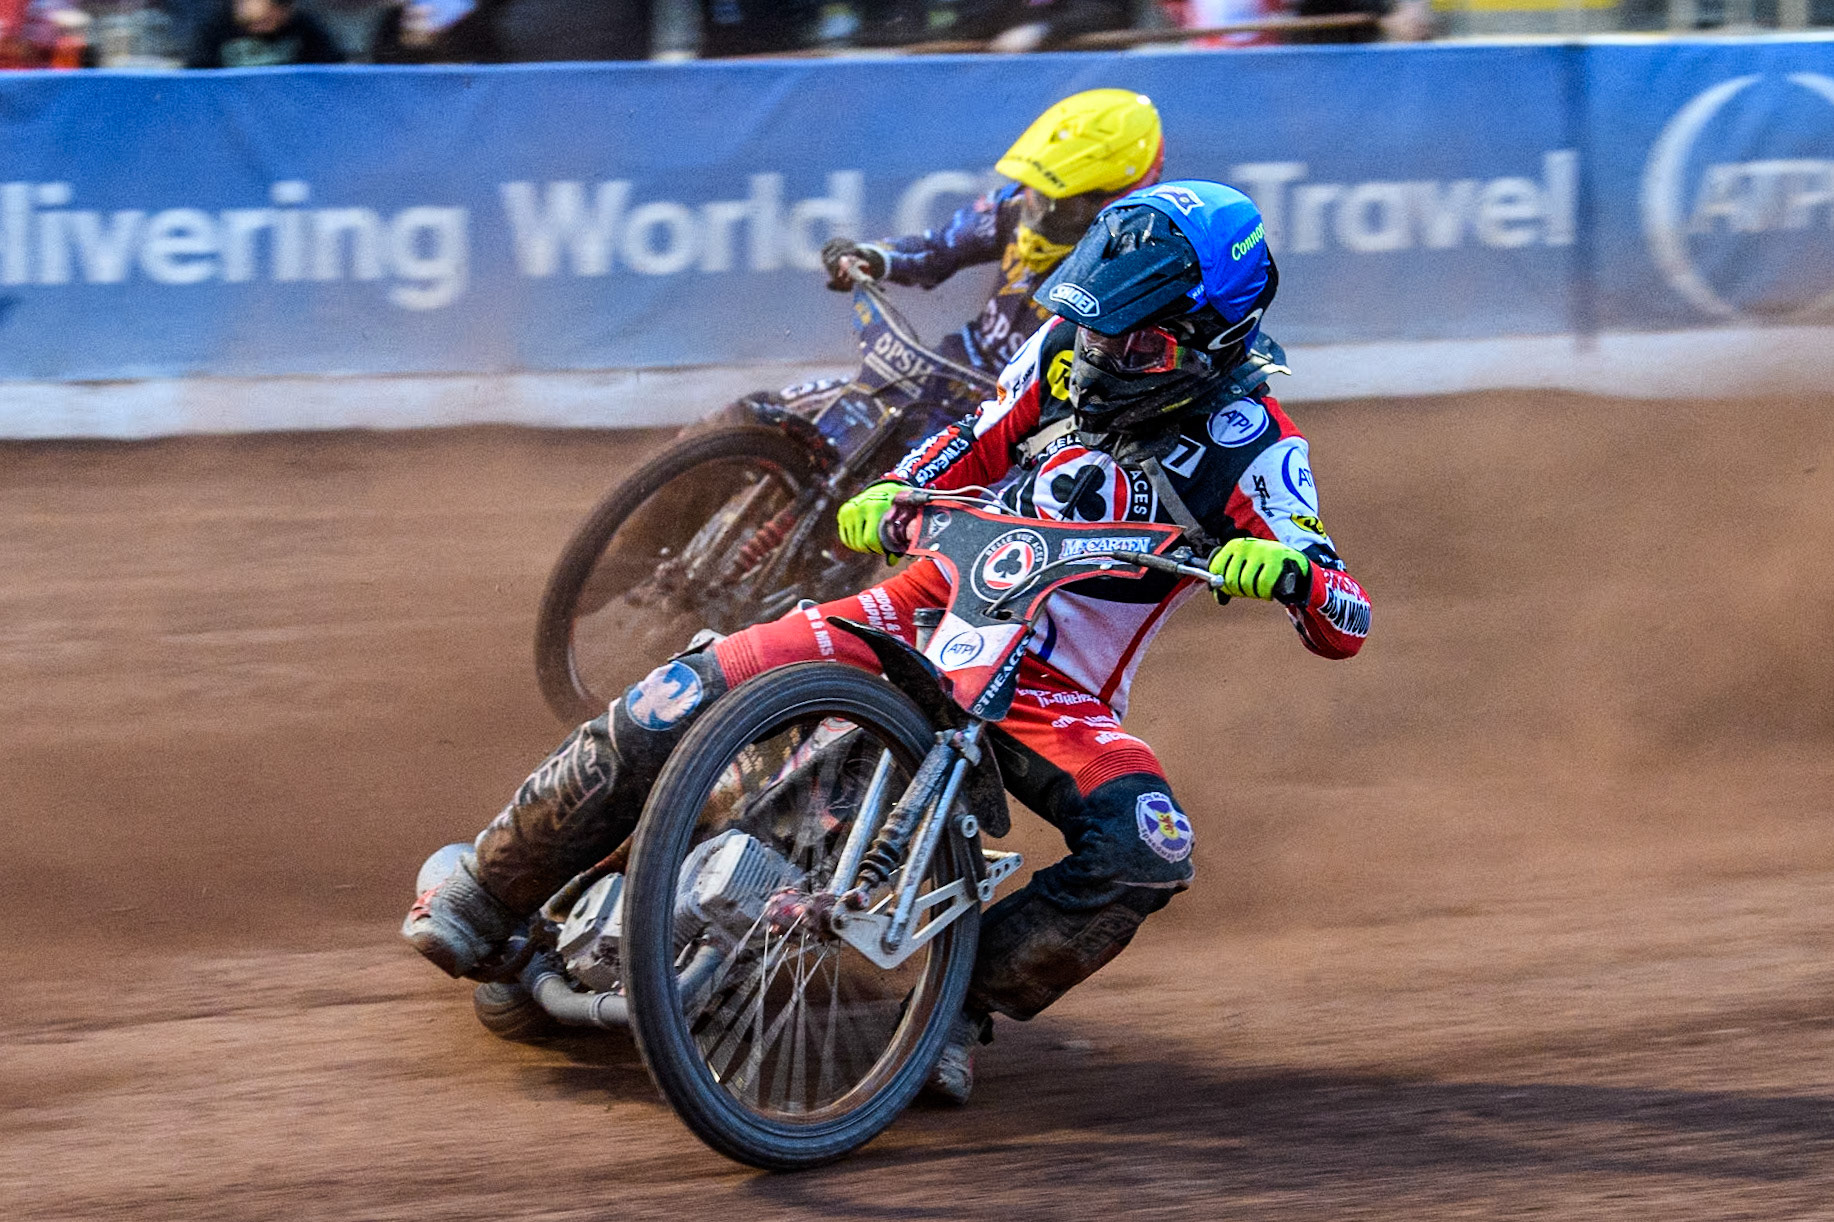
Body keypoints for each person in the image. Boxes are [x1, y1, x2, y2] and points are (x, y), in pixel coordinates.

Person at [404, 179, 1372, 1104]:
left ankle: (955, 1011)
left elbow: (1343, 610)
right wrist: (896, 488)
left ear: (1216, 338)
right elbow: (970, 442)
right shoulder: (1063, 353)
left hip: (1050, 692)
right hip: (917, 607)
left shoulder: (1259, 445)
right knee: (679, 691)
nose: (1105, 356)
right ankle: (488, 890)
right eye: (1093, 327)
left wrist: (1290, 574)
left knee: (1148, 845)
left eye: (1142, 343)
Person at [820, 88, 1164, 376]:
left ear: (1114, 200)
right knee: (787, 412)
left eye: (1064, 202)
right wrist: (870, 256)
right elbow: (939, 251)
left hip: (1025, 416)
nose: (1042, 211)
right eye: (1038, 193)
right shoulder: (1016, 205)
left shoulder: (1135, 267)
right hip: (955, 366)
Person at [186, 0, 344, 66]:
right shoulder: (217, 27)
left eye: (265, 20)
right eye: (250, 22)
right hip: (233, 114)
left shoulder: (305, 28)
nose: (257, 27)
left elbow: (332, 72)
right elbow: (197, 76)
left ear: (284, 10)